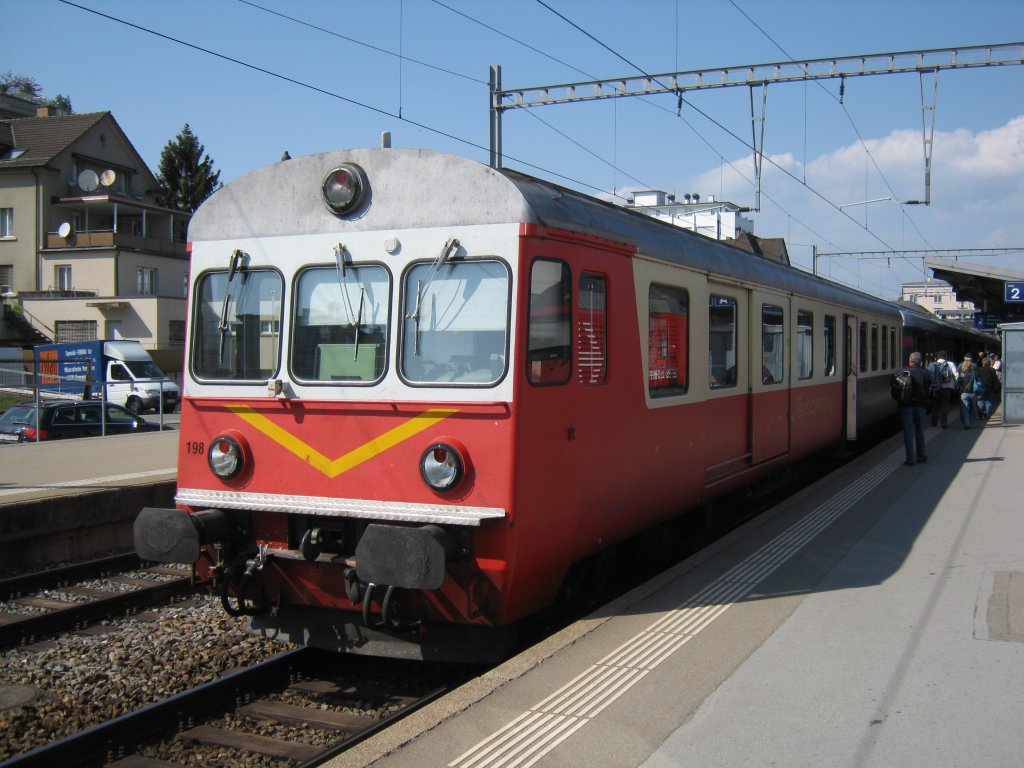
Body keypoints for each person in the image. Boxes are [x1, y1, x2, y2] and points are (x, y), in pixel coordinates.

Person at [895, 351, 932, 466]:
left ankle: (910, 459)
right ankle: (921, 456)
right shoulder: (927, 373)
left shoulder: (902, 372)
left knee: (908, 433)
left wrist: (900, 400)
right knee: (920, 431)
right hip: (921, 406)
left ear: (910, 361)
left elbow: (894, 388)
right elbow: (935, 387)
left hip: (906, 406)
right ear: (921, 362)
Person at [928, 350, 958, 428]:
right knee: (944, 405)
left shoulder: (932, 365)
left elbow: (928, 376)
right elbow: (956, 375)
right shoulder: (950, 364)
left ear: (937, 357)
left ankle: (934, 423)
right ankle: (944, 424)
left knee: (935, 406)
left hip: (936, 388)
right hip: (947, 388)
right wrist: (956, 385)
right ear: (946, 357)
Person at [975, 355, 999, 420]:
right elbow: (995, 379)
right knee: (989, 401)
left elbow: (976, 379)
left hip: (981, 388)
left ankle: (981, 413)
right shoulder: (992, 370)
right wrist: (996, 388)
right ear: (989, 363)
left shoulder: (978, 370)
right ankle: (987, 414)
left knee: (981, 401)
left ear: (982, 363)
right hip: (990, 388)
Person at [958, 353, 978, 429]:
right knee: (972, 408)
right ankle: (970, 420)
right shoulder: (975, 367)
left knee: (965, 408)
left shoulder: (960, 367)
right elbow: (978, 378)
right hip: (973, 392)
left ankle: (966, 422)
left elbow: (958, 381)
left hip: (964, 392)